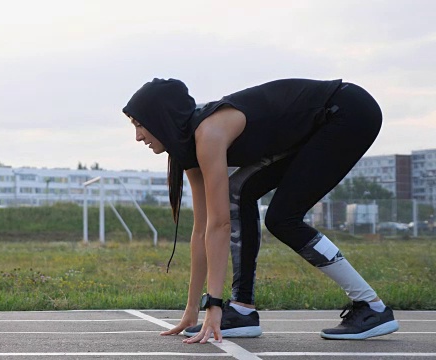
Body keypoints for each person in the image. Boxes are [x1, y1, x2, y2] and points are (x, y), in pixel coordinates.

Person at [122, 78, 399, 344]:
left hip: (347, 112)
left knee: (282, 218)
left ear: (160, 118)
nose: (137, 137)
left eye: (140, 125)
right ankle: (242, 311)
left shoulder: (209, 133)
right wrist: (192, 309)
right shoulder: (188, 148)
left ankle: (371, 305)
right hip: (320, 122)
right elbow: (203, 227)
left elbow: (220, 226)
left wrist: (214, 306)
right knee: (238, 192)